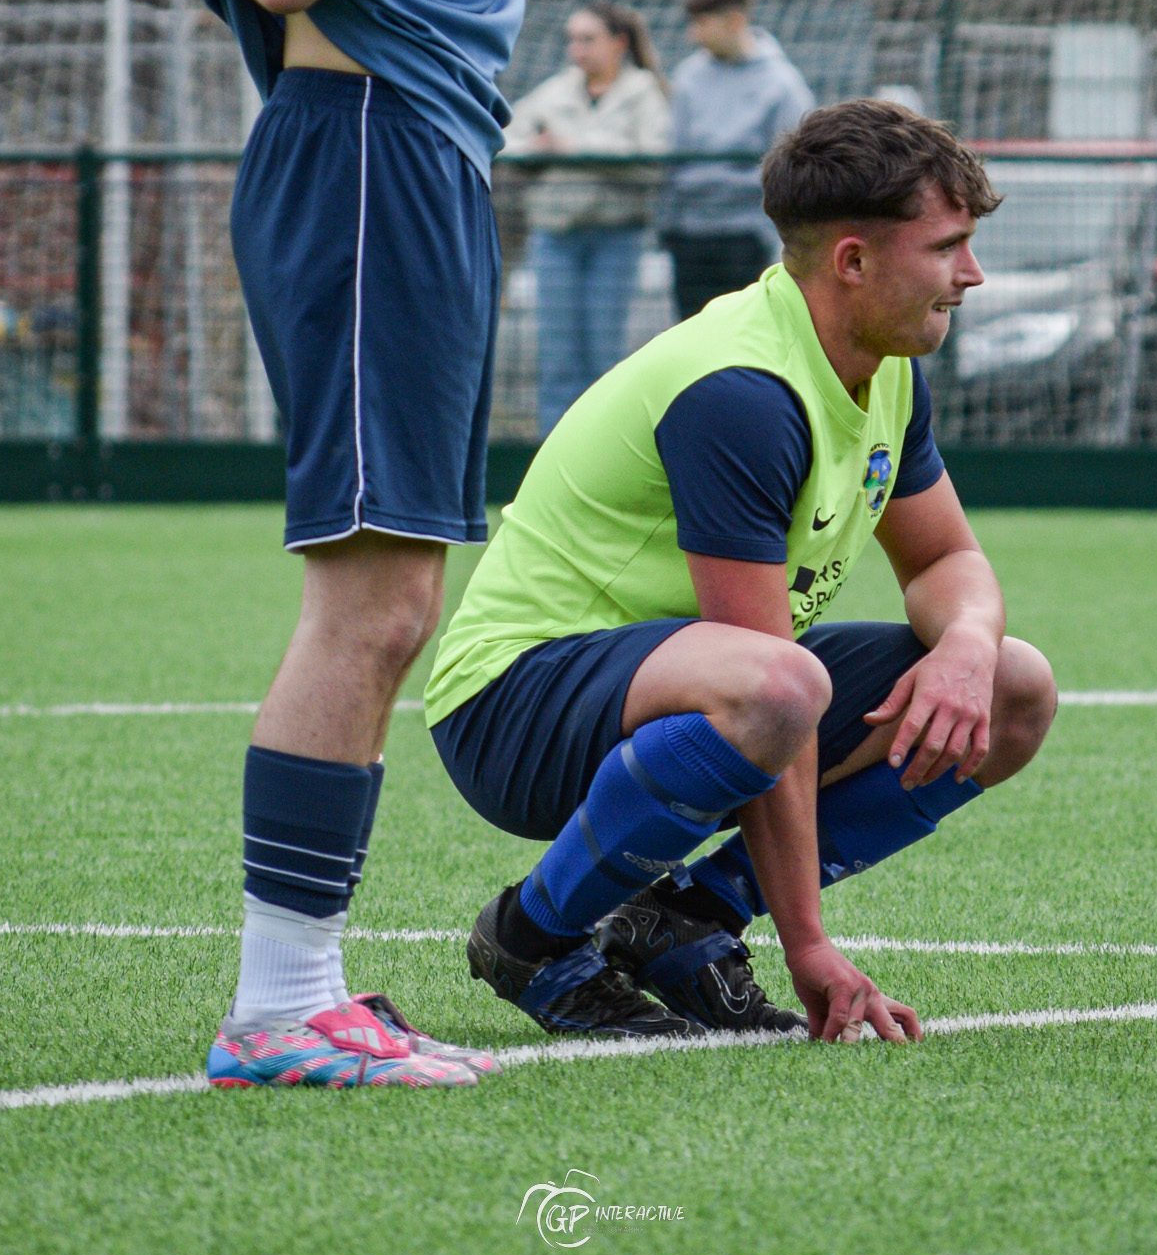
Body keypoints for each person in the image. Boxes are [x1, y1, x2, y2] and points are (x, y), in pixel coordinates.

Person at [179, 0, 656, 1091]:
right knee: (377, 604)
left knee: (393, 594)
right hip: (371, 152)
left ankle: (300, 988)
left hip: (398, 158)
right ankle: (284, 1000)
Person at [424, 99, 1057, 1043]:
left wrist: (967, 642)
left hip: (701, 685)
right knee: (777, 685)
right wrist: (811, 944)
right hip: (513, 705)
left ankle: (687, 918)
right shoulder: (741, 393)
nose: (972, 275)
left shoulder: (884, 366)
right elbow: (765, 675)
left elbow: (946, 558)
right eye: (949, 247)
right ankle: (532, 936)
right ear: (853, 259)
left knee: (1012, 687)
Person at [503, 0, 670, 435]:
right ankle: (549, 461)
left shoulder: (643, 92)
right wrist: (539, 149)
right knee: (557, 358)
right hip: (554, 236)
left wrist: (573, 146)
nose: (577, 49)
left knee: (603, 358)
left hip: (616, 237)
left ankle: (601, 458)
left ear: (619, 43)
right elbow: (507, 139)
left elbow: (653, 157)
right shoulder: (555, 90)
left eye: (588, 39)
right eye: (572, 39)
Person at [661, 0, 813, 319]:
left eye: (701, 23)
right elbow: (675, 159)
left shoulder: (783, 84)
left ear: (734, 20)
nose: (692, 34)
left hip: (749, 237)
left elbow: (791, 169)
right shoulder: (688, 77)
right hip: (690, 238)